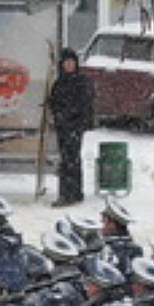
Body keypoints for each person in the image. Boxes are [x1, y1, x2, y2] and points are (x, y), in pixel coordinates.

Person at [49, 47, 93, 208]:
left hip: (75, 126)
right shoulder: (59, 83)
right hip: (63, 127)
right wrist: (58, 115)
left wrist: (75, 120)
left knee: (72, 159)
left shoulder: (81, 81)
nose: (69, 65)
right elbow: (54, 102)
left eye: (71, 62)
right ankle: (67, 193)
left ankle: (72, 193)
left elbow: (85, 104)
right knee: (66, 159)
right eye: (66, 62)